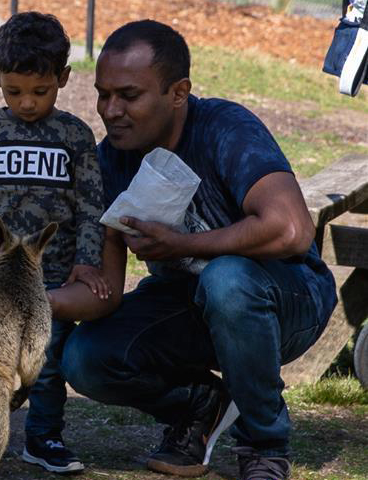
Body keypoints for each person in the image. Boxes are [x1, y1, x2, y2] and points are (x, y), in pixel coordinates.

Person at [48, 20, 337, 480]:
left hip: (287, 299)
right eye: (103, 94)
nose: (111, 110)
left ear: (178, 93)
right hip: (191, 307)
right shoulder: (108, 160)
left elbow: (292, 229)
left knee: (227, 280)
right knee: (85, 357)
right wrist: (30, 300)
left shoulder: (225, 129)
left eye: (129, 95)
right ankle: (201, 406)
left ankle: (264, 447)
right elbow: (107, 292)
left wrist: (181, 244)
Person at [0, 11, 121, 474]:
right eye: (13, 91)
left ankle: (42, 438)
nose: (26, 103)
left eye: (40, 92)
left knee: (46, 362)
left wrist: (86, 262)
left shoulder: (75, 136)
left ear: (62, 78)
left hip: (51, 280)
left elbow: (89, 206)